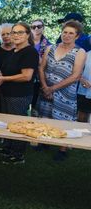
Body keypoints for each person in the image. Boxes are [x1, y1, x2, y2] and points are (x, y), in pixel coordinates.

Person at [0, 22, 39, 165]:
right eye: (13, 32)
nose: (15, 35)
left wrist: (3, 78)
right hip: (7, 93)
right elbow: (9, 71)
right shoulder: (14, 51)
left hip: (19, 95)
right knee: (9, 124)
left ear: (28, 35)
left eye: (20, 32)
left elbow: (26, 76)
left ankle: (18, 155)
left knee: (18, 124)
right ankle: (8, 149)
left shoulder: (30, 52)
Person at [38, 20, 86, 161]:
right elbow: (41, 67)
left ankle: (62, 149)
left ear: (77, 36)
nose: (67, 35)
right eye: (65, 32)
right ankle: (45, 142)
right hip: (46, 88)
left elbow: (76, 76)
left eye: (71, 33)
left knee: (65, 119)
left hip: (65, 92)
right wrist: (45, 87)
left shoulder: (80, 52)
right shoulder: (50, 48)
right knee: (45, 116)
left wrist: (52, 88)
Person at [0, 23, 15, 112]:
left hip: (14, 89)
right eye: (3, 34)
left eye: (8, 34)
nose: (5, 36)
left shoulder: (19, 50)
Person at [78, 50, 91, 123]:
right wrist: (82, 80)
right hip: (84, 91)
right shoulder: (86, 54)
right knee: (81, 119)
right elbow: (76, 72)